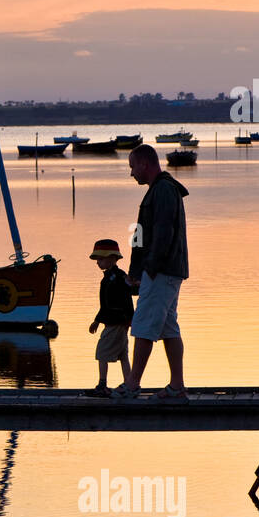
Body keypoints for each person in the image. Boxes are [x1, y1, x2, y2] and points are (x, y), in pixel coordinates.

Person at [116, 145, 189, 401]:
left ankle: (132, 384)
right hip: (163, 270)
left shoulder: (164, 192)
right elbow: (140, 235)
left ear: (145, 164)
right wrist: (135, 271)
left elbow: (163, 233)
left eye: (132, 167)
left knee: (144, 324)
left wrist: (150, 269)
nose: (131, 173)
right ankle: (177, 387)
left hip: (162, 271)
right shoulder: (156, 192)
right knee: (169, 327)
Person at [87, 238, 133, 395]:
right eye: (97, 259)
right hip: (121, 321)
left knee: (102, 352)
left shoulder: (116, 279)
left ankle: (102, 384)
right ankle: (129, 382)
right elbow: (106, 304)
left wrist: (98, 320)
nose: (98, 262)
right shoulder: (113, 277)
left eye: (100, 259)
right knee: (122, 354)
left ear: (112, 258)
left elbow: (114, 302)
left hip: (115, 322)